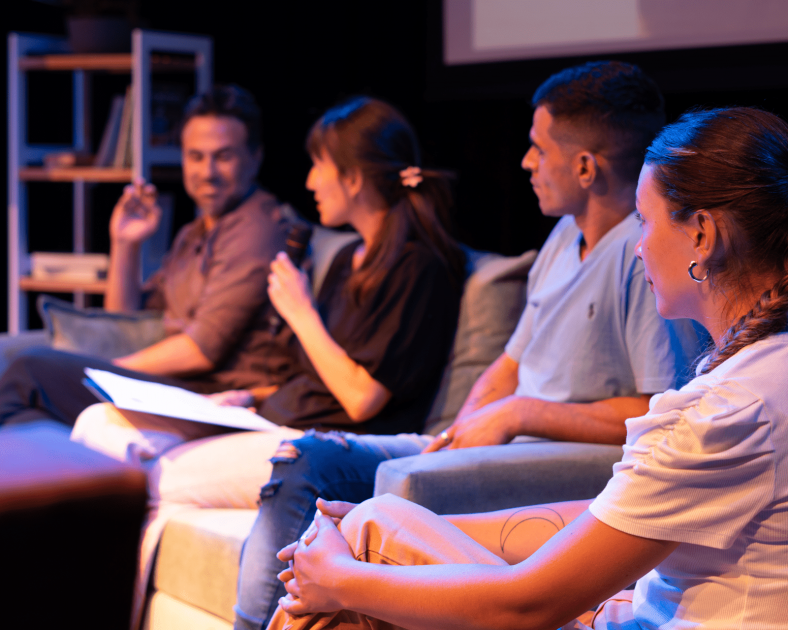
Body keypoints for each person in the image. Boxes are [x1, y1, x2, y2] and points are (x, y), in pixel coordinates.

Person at [266, 106, 788, 630]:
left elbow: (528, 606)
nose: (638, 245)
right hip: (637, 610)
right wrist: (425, 522)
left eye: (647, 220)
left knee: (357, 556)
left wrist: (340, 580)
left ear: (702, 236)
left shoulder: (731, 412)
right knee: (376, 522)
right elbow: (605, 514)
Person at [232, 61, 704, 630]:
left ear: (584, 166)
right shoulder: (562, 237)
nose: (525, 162)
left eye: (537, 148)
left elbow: (661, 413)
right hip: (498, 445)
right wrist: (463, 428)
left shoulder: (645, 254)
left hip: (548, 462)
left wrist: (518, 413)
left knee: (316, 468)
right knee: (307, 463)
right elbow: (509, 363)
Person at [72, 96, 465, 630]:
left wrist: (301, 312)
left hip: (318, 442)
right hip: (271, 416)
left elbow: (362, 397)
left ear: (352, 178)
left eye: (319, 165)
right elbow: (307, 375)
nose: (308, 181)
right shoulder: (350, 260)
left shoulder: (417, 266)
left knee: (135, 478)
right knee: (97, 422)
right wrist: (247, 399)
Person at [0, 85, 296, 429]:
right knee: (31, 412)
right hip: (178, 389)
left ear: (255, 157)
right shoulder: (194, 233)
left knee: (31, 369)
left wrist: (106, 372)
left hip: (216, 397)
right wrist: (125, 244)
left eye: (224, 156)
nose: (208, 172)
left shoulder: (257, 228)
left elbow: (201, 350)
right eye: (196, 156)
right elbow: (125, 319)